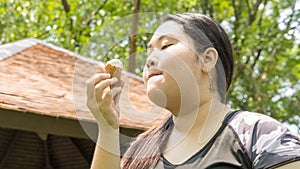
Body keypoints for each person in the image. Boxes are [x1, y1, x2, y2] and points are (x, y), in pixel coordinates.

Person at [86, 13, 300, 169]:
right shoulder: (139, 153)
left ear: (207, 60)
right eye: (149, 52)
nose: (149, 59)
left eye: (166, 45)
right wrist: (107, 128)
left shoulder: (259, 135)